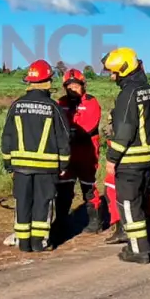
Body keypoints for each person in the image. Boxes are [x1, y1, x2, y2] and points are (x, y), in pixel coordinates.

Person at [100, 48, 150, 264]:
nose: (112, 77)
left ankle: (138, 250)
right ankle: (139, 244)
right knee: (137, 203)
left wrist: (111, 158)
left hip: (129, 161)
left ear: (123, 70)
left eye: (114, 72)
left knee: (128, 205)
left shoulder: (128, 94)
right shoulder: (148, 90)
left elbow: (125, 131)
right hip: (145, 160)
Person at [1, 59, 72, 252]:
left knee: (22, 203)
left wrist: (8, 163)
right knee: (43, 202)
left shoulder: (16, 105)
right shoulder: (53, 107)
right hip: (46, 168)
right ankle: (39, 243)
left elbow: (7, 136)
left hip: (21, 167)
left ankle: (24, 243)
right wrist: (64, 165)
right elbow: (63, 138)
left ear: (29, 82)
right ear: (47, 82)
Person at [52, 68, 103, 241]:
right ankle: (61, 222)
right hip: (67, 153)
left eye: (76, 85)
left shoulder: (91, 102)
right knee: (64, 188)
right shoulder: (61, 102)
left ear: (83, 85)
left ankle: (95, 221)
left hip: (87, 152)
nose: (73, 88)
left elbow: (89, 127)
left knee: (88, 186)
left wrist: (67, 133)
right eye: (69, 86)